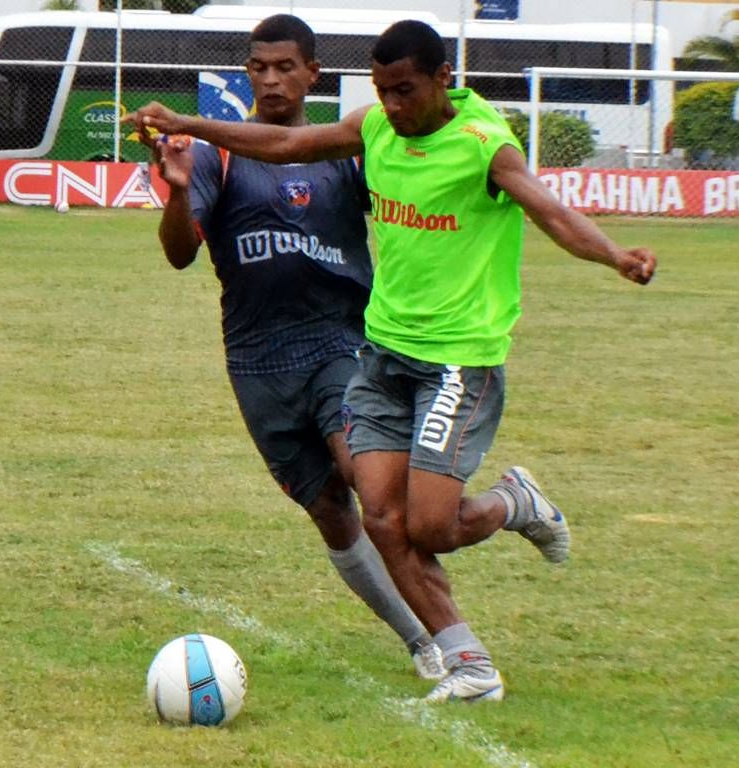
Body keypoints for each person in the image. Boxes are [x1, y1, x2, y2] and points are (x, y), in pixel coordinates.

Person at [126, 18, 656, 703]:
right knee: (363, 515)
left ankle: (500, 528)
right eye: (383, 92)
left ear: (441, 80)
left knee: (417, 518)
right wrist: (189, 140)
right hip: (323, 359)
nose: (394, 106)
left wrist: (614, 255)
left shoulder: (468, 145)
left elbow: (547, 213)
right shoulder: (355, 132)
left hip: (405, 355)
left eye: (404, 91)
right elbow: (266, 162)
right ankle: (455, 655)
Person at [139, 15, 445, 682]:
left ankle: (452, 639)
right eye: (259, 67)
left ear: (313, 73)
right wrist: (180, 192)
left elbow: (410, 209)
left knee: (370, 486)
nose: (271, 79)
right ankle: (419, 640)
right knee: (331, 513)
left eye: (285, 67)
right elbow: (179, 254)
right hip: (256, 362)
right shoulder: (217, 154)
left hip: (342, 343)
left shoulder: (347, 149)